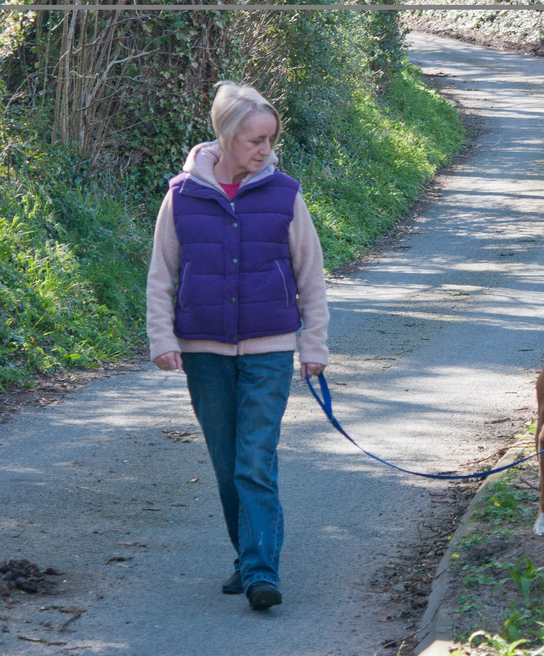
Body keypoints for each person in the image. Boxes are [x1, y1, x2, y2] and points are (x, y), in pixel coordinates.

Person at [146, 81, 329, 611]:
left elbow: (310, 276)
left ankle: (260, 572)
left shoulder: (285, 195)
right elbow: (162, 275)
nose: (265, 150)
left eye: (270, 140)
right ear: (225, 138)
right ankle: (248, 557)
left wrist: (313, 344)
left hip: (270, 349)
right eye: (255, 140)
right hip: (203, 352)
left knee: (254, 459)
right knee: (227, 465)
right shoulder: (182, 196)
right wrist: (163, 336)